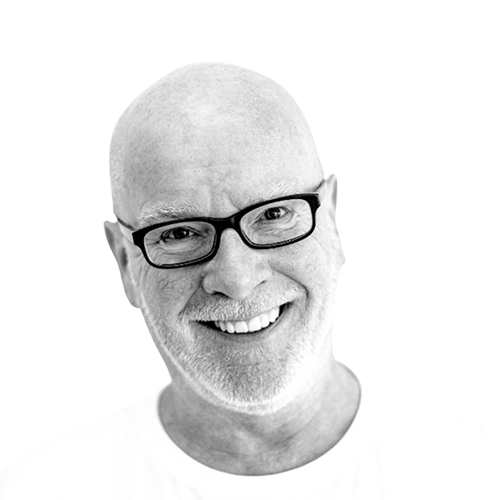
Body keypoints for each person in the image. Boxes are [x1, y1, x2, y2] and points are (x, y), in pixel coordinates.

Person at [0, 60, 498, 499]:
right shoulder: (37, 486)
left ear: (331, 220)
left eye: (274, 214)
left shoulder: (485, 456)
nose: (236, 280)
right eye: (179, 233)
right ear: (126, 263)